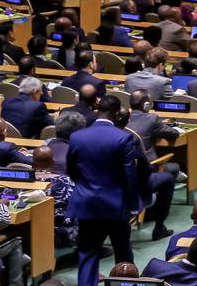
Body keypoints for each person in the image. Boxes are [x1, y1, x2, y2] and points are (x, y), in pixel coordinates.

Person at [67, 107, 148, 286]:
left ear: (97, 112)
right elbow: (130, 175)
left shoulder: (77, 136)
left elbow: (71, 170)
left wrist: (85, 187)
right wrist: (134, 205)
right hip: (116, 206)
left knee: (87, 253)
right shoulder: (123, 137)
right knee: (123, 253)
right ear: (117, 115)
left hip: (87, 204)